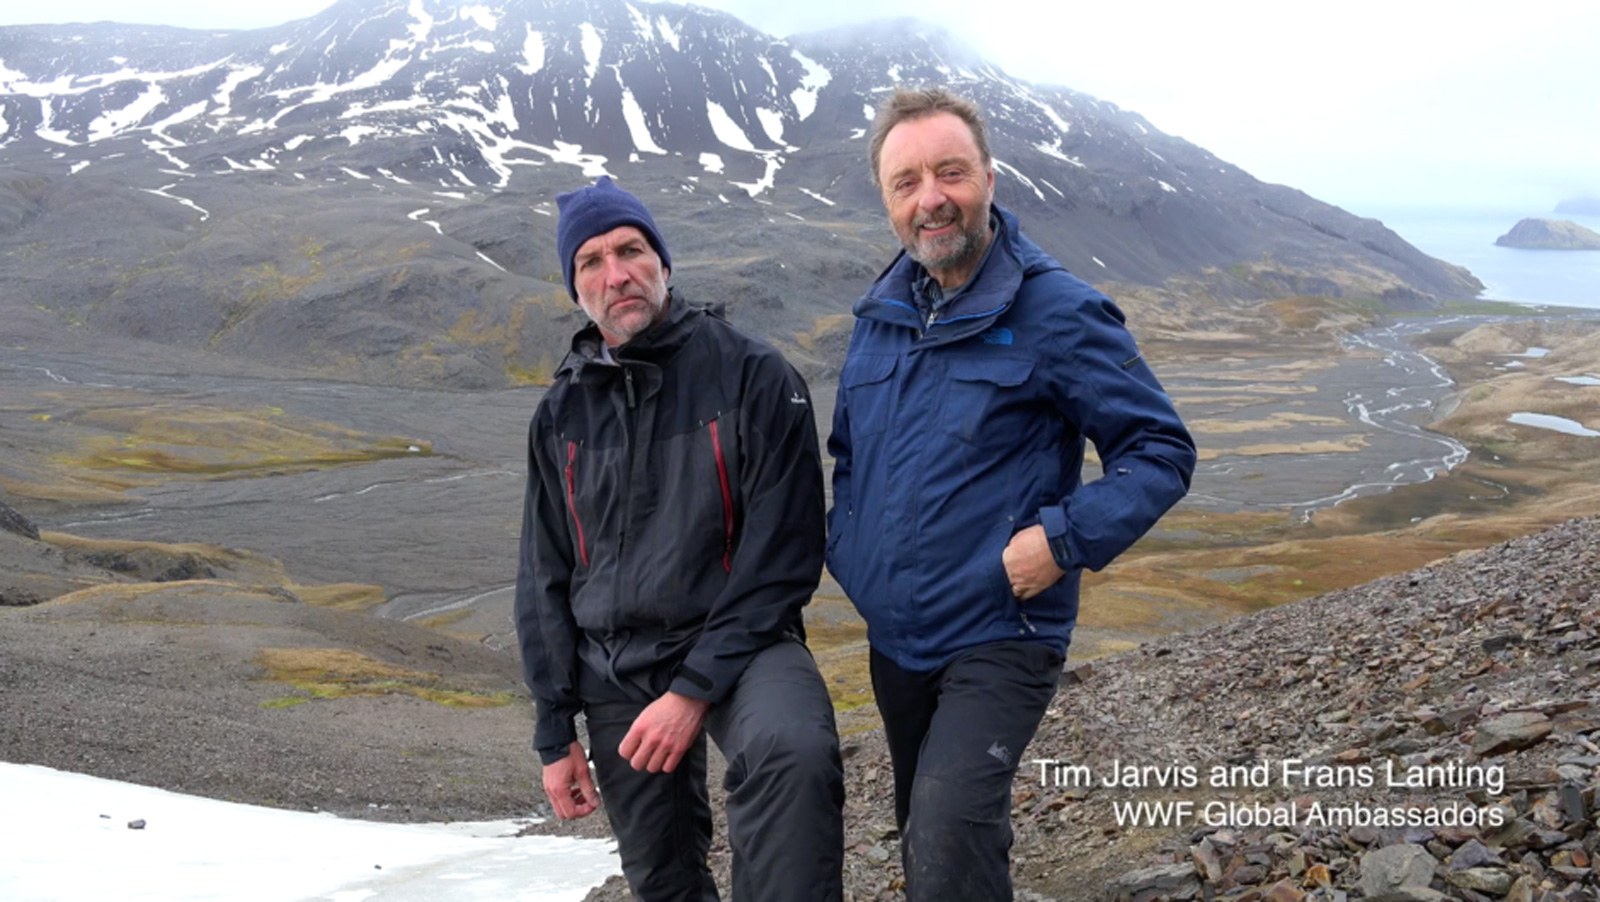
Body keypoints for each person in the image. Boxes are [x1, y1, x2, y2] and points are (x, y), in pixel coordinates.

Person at [826, 88, 1197, 900]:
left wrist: (1062, 540)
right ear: (888, 200)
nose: (932, 198)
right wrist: (852, 555)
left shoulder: (1056, 310)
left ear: (989, 177)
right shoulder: (881, 314)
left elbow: (1160, 449)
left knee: (948, 832)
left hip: (1002, 628)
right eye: (908, 181)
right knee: (932, 840)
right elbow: (851, 455)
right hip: (896, 636)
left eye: (950, 172)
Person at [515, 175, 844, 902]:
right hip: (617, 666)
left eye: (631, 250)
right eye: (591, 262)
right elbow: (544, 572)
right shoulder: (561, 413)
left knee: (791, 754)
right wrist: (553, 731)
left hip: (744, 642)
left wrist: (693, 689)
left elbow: (785, 550)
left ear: (663, 262)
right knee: (663, 879)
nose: (616, 273)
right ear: (576, 289)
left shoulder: (754, 376)